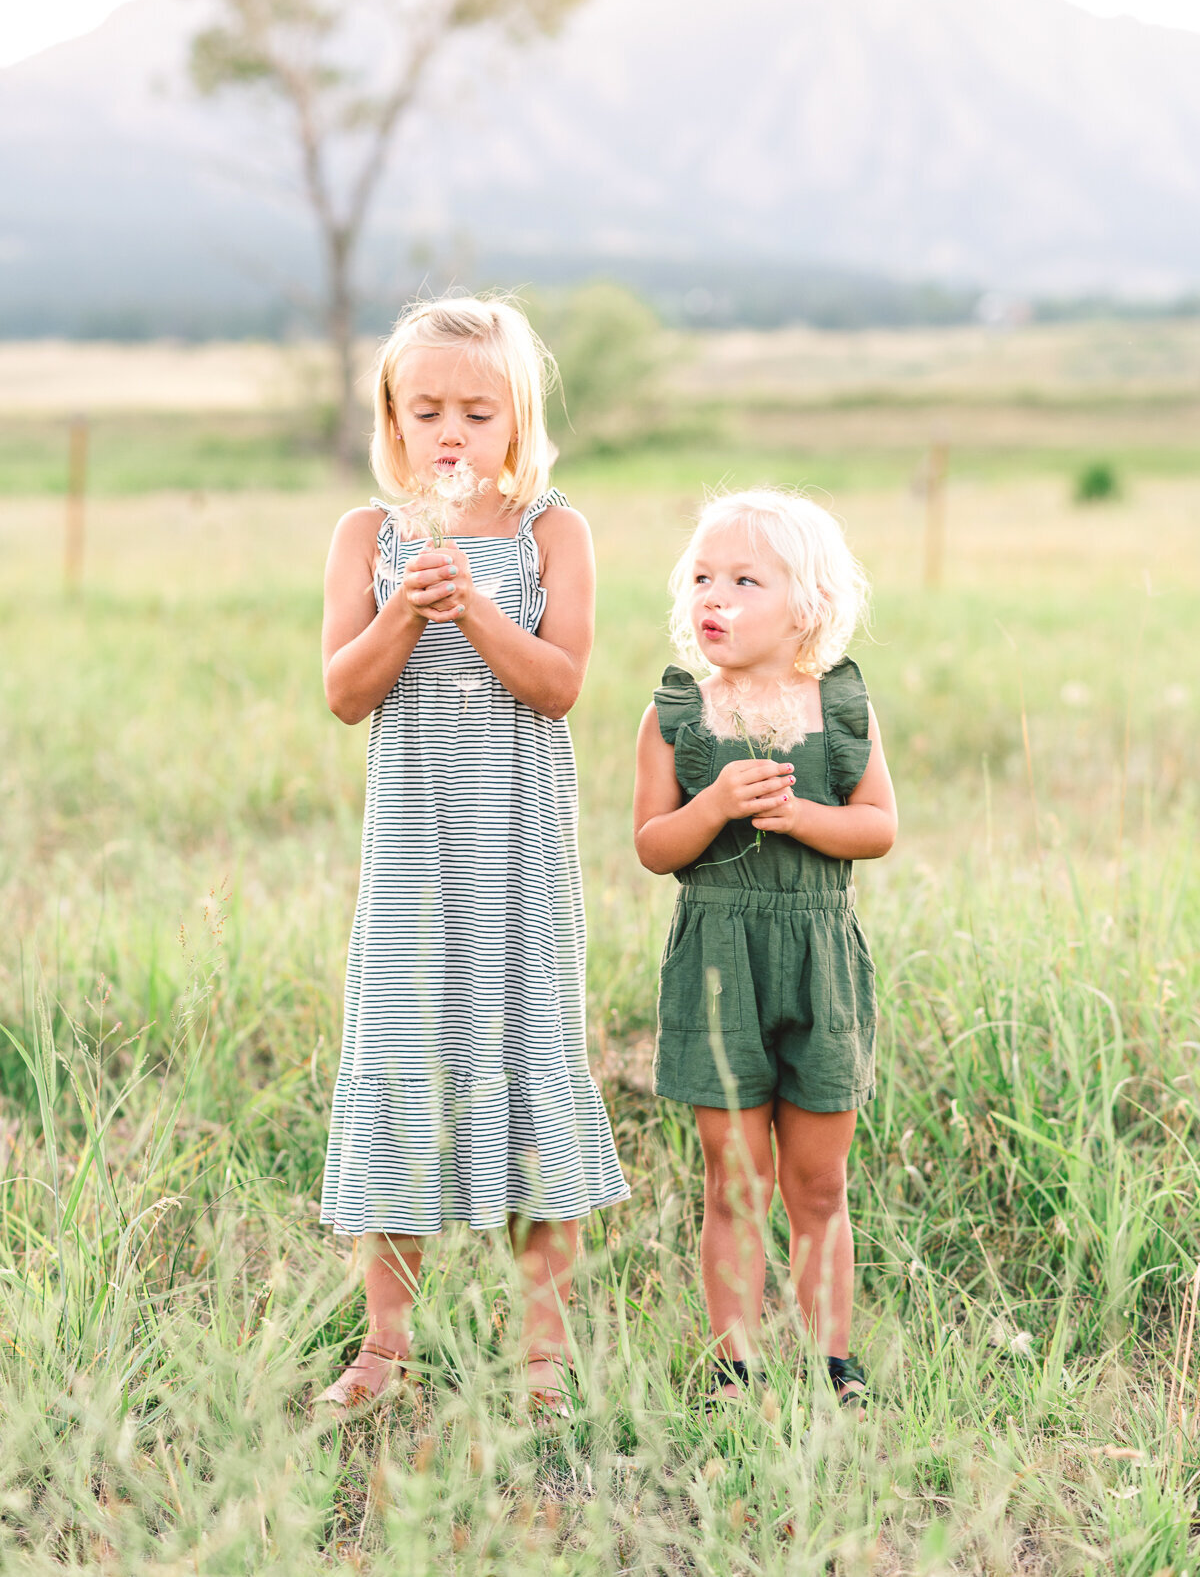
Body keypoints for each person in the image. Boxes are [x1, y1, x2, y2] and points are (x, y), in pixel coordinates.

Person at [317, 295, 628, 1413]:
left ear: (518, 418)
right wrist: (406, 608)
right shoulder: (370, 537)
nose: (452, 432)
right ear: (394, 421)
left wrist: (478, 615)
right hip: (413, 850)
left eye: (477, 411)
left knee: (527, 1046)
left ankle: (544, 1348)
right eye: (427, 409)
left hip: (515, 852)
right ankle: (385, 1344)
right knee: (403, 1052)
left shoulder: (554, 531)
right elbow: (346, 695)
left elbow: (558, 686)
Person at [632, 488, 896, 1415]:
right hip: (717, 965)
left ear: (808, 605)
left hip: (818, 960)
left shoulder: (841, 704)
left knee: (818, 1182)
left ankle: (834, 1361)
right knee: (733, 1180)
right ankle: (734, 1367)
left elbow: (879, 827)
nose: (717, 596)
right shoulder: (677, 713)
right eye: (704, 577)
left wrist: (800, 816)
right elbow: (654, 846)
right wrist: (714, 807)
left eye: (746, 580)